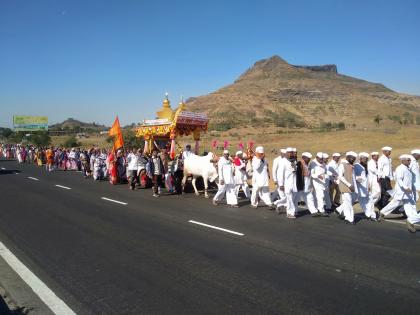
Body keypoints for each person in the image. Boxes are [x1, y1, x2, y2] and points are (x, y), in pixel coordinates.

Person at [380, 155, 420, 233]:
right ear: (403, 160)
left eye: (410, 160)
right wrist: (405, 187)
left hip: (408, 191)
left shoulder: (408, 169)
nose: (409, 161)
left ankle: (411, 219)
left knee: (411, 204)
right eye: (408, 160)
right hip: (401, 191)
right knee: (395, 203)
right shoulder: (400, 168)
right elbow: (399, 179)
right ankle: (382, 213)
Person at [296, 152, 324, 217]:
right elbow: (298, 176)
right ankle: (294, 210)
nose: (309, 160)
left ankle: (313, 211)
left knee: (309, 198)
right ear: (303, 158)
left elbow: (309, 175)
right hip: (301, 184)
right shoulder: (299, 164)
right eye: (308, 159)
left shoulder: (306, 164)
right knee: (296, 198)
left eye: (309, 159)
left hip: (307, 185)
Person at [336, 152, 358, 224]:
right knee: (348, 203)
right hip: (345, 187)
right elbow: (340, 176)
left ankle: (344, 214)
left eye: (354, 159)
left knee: (347, 202)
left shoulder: (351, 165)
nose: (353, 160)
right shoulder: (342, 164)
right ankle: (350, 219)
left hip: (351, 187)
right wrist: (349, 185)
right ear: (348, 157)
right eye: (352, 158)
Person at [355, 152, 378, 221]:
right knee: (361, 202)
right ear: (360, 159)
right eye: (364, 158)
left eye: (367, 159)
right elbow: (354, 175)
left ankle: (371, 215)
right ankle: (340, 210)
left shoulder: (366, 166)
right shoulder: (357, 166)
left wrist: (369, 185)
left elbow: (367, 176)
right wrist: (358, 179)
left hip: (366, 187)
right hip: (359, 188)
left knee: (370, 200)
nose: (366, 160)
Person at [277, 147, 298, 218]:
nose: (291, 154)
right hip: (287, 183)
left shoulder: (294, 161)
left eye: (292, 153)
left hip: (294, 183)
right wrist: (281, 184)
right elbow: (280, 174)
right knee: (289, 198)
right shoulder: (283, 161)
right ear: (286, 153)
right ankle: (290, 213)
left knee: (294, 198)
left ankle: (279, 204)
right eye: (289, 153)